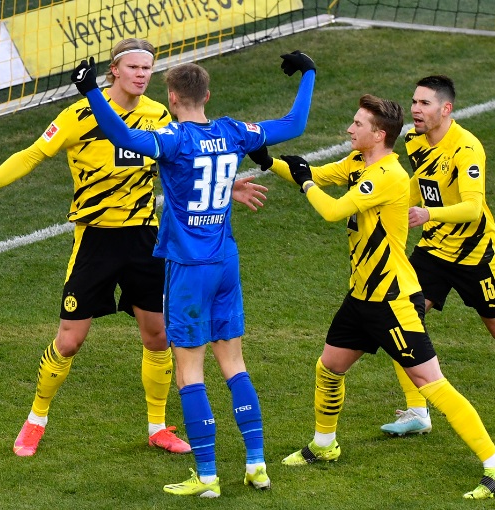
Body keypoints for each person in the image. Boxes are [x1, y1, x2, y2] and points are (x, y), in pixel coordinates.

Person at [0, 38, 268, 458]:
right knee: (69, 340)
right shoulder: (78, 115)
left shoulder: (158, 115)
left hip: (145, 239)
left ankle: (158, 427)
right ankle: (36, 419)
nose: (141, 75)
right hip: (95, 240)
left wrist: (225, 186)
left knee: (158, 336)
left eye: (147, 68)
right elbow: (32, 154)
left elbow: (184, 162)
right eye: (133, 67)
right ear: (114, 70)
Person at [70, 49, 316, 497]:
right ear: (207, 95)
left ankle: (206, 476)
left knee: (189, 373)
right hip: (225, 263)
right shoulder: (233, 131)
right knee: (235, 365)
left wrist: (90, 90)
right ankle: (256, 465)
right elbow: (294, 124)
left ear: (171, 97)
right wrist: (309, 74)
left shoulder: (173, 139)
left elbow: (120, 135)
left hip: (188, 270)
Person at [248, 94, 495, 500]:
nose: (349, 129)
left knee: (431, 383)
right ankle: (324, 444)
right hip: (361, 296)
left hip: (392, 300)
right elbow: (316, 174)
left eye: (357, 124)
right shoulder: (358, 162)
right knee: (329, 366)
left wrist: (304, 182)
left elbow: (332, 210)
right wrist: (269, 162)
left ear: (378, 135)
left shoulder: (388, 175)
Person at [379, 75, 495, 438]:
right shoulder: (415, 140)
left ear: (445, 109)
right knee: (401, 318)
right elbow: (423, 180)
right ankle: (417, 411)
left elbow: (473, 208)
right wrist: (396, 201)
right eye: (414, 102)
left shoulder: (467, 149)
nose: (416, 109)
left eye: (425, 103)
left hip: (475, 255)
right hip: (434, 250)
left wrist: (427, 214)